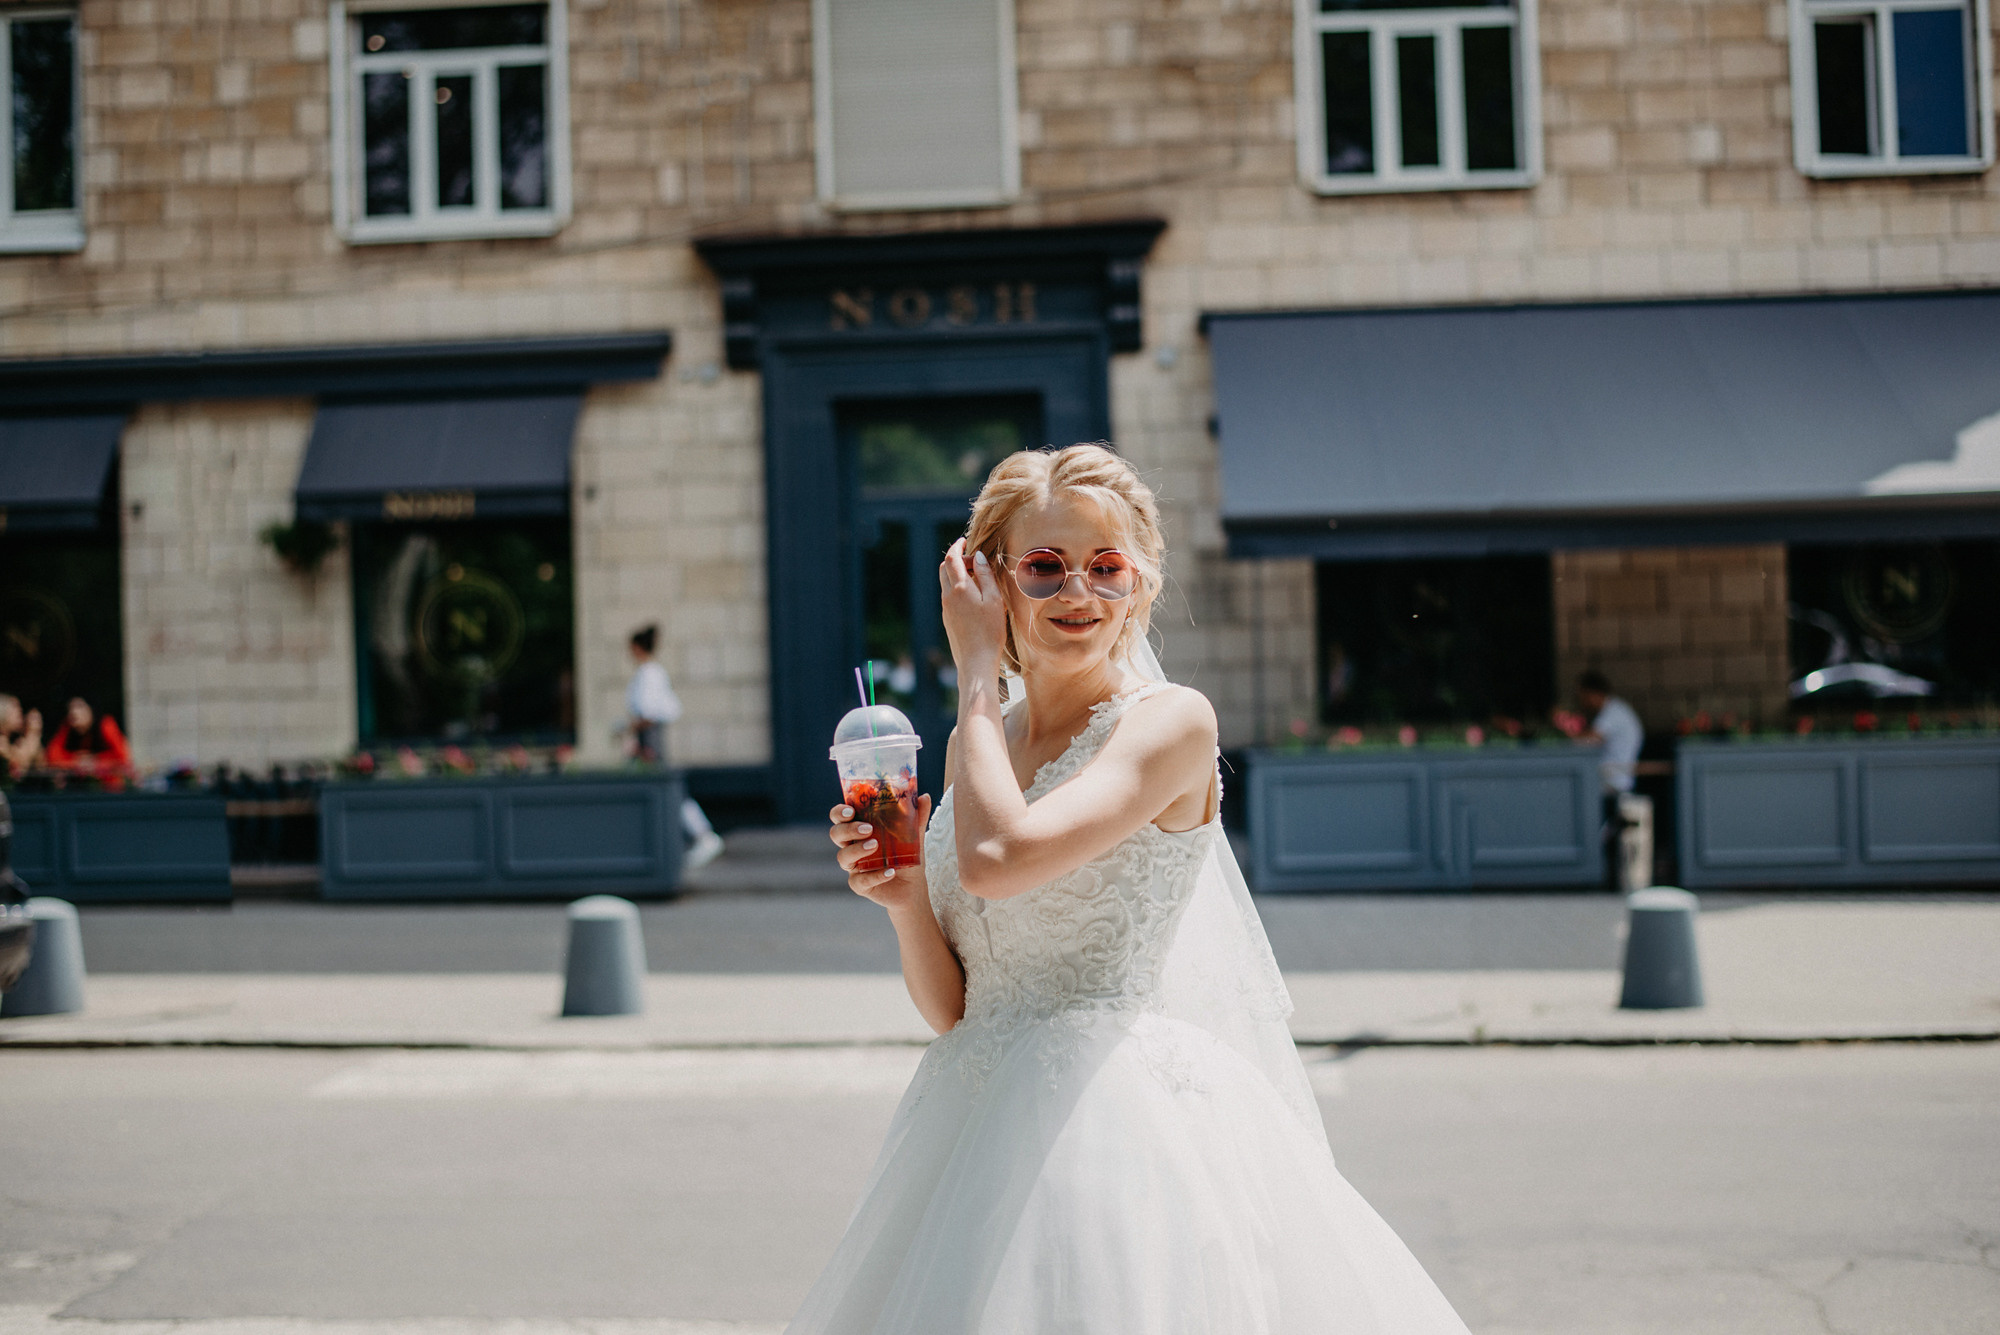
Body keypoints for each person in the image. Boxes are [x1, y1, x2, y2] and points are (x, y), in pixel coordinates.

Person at [800, 445, 1471, 1332]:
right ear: (991, 579)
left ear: (1140, 583)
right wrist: (907, 898)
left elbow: (997, 857)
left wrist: (974, 665)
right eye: (1045, 566)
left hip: (1114, 1129)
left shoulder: (1171, 723)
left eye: (1106, 566)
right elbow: (959, 1010)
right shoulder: (978, 742)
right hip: (968, 1130)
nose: (1077, 590)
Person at [623, 626, 725, 870]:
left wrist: (629, 731)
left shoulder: (648, 674)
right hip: (649, 739)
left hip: (649, 739)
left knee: (665, 789)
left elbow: (648, 713)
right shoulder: (652, 672)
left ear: (637, 648)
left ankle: (701, 835)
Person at [1576, 668, 1644, 796]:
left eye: (1583, 696)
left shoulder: (1613, 711)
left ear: (1594, 694)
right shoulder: (1613, 708)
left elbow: (1590, 739)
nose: (1582, 701)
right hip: (1610, 780)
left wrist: (1563, 737)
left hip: (1614, 784)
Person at [43, 697, 132, 787]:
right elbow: (52, 756)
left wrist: (95, 761)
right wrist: (77, 760)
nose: (73, 712)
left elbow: (122, 757)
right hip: (78, 785)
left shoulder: (105, 724)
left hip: (108, 786)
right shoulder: (67, 727)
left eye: (79, 707)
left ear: (91, 709)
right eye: (70, 708)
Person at [0, 695, 44, 778]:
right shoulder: (2, 744)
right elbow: (20, 769)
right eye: (15, 708)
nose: (20, 711)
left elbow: (41, 766)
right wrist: (33, 734)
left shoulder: (11, 743)